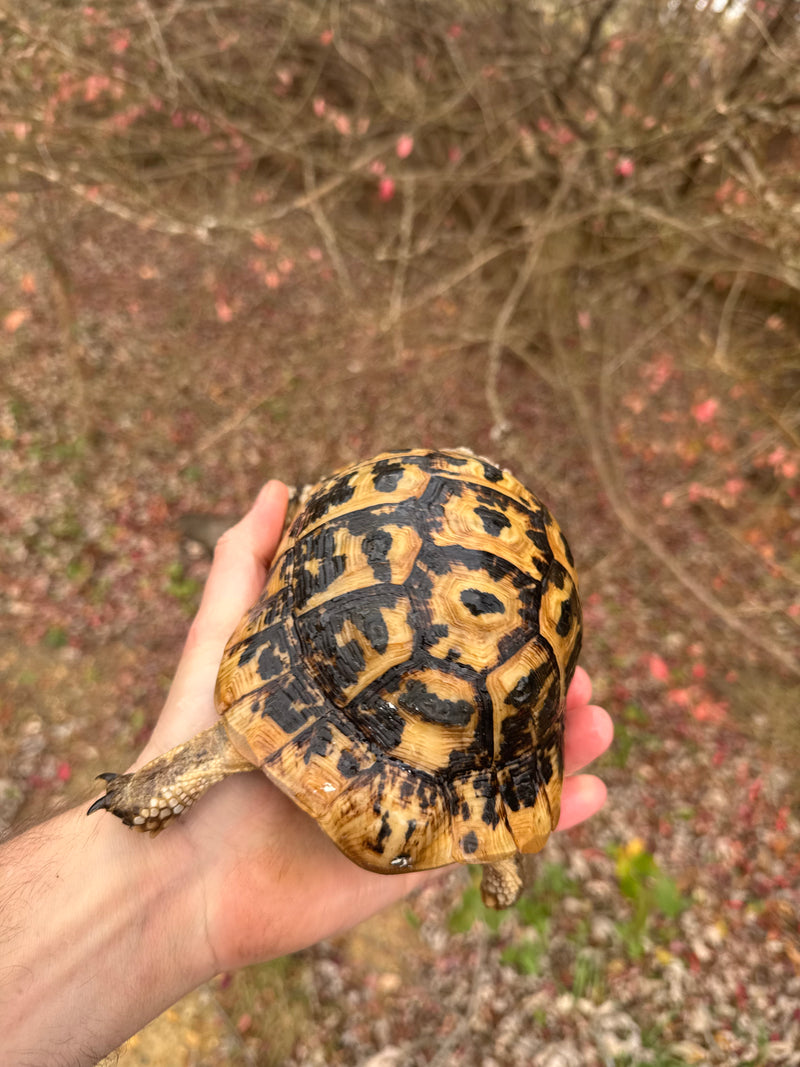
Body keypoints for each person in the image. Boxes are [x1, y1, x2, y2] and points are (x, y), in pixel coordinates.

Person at [0, 480, 613, 1067]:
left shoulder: (385, 489)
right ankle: (496, 851)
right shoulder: (538, 557)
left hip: (341, 659)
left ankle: (176, 782)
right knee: (239, 742)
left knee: (242, 736)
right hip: (473, 741)